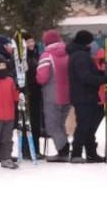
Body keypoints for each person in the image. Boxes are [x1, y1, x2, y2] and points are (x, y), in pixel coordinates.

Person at [67, 29, 107, 163]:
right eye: (91, 42)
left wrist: (102, 74)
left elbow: (89, 73)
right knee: (84, 125)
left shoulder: (80, 54)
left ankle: (91, 152)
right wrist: (102, 79)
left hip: (86, 95)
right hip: (84, 96)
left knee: (89, 126)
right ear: (86, 43)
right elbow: (85, 77)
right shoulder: (80, 56)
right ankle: (76, 153)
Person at [35, 30, 71, 161]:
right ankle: (64, 150)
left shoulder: (46, 56)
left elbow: (42, 77)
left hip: (52, 95)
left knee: (52, 125)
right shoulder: (68, 53)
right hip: (68, 95)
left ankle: (63, 150)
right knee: (60, 124)